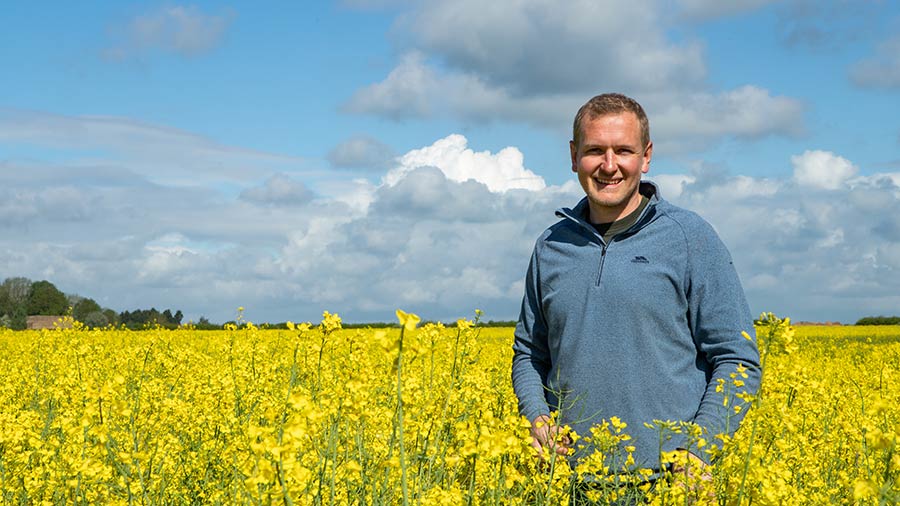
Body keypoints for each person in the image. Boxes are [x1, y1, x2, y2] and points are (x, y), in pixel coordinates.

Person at [511, 93, 761, 493]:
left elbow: (738, 359)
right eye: (595, 151)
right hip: (567, 485)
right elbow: (529, 354)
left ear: (645, 157)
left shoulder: (690, 237)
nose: (609, 166)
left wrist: (699, 449)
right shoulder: (550, 246)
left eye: (623, 151)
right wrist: (538, 416)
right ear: (574, 156)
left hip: (667, 485)